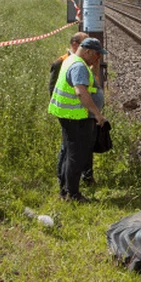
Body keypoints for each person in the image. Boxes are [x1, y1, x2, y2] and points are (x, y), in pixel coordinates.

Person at [48, 37, 107, 202]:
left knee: (70, 153)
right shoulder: (79, 66)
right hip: (74, 116)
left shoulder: (72, 59)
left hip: (68, 114)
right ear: (87, 51)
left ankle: (65, 191)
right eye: (96, 54)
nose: (98, 58)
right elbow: (81, 91)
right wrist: (97, 114)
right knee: (76, 155)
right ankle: (72, 195)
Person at [50, 32, 88, 186]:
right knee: (67, 149)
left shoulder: (80, 61)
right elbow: (53, 88)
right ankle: (64, 181)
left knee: (71, 148)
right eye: (84, 45)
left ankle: (73, 180)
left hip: (76, 112)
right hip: (68, 112)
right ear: (74, 44)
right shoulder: (62, 62)